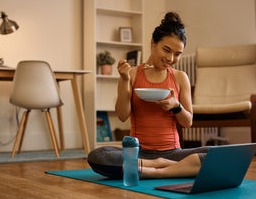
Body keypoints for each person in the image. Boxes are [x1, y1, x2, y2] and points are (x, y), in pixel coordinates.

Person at [88, 12, 210, 179]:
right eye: (166, 50)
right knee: (99, 155)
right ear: (153, 43)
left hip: (172, 153)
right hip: (138, 153)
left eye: (177, 54)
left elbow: (187, 122)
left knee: (214, 154)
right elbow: (123, 116)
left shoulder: (181, 77)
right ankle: (167, 168)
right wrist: (124, 80)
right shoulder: (131, 74)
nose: (170, 58)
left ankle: (153, 171)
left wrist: (176, 106)